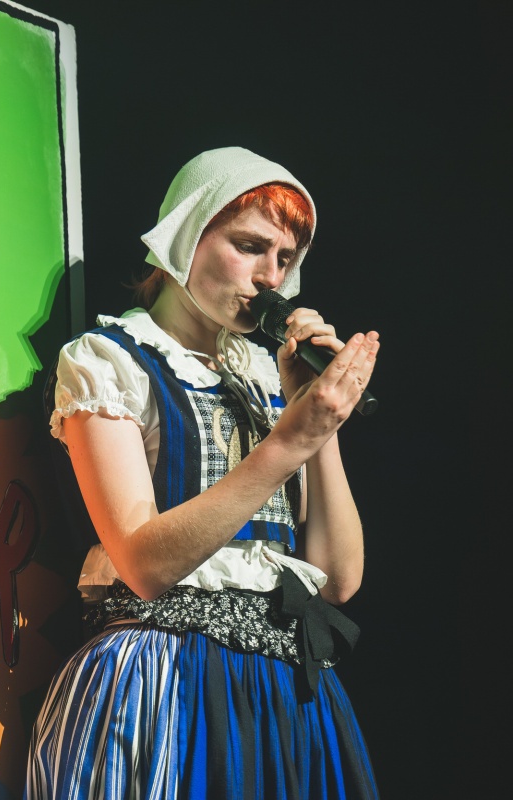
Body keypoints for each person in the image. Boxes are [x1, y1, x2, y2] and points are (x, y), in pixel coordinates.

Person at [25, 147, 381, 799]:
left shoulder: (268, 377)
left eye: (285, 258)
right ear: (186, 236)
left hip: (282, 692)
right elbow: (144, 563)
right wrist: (289, 441)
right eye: (250, 246)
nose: (270, 276)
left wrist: (315, 418)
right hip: (164, 678)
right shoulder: (110, 361)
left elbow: (338, 579)